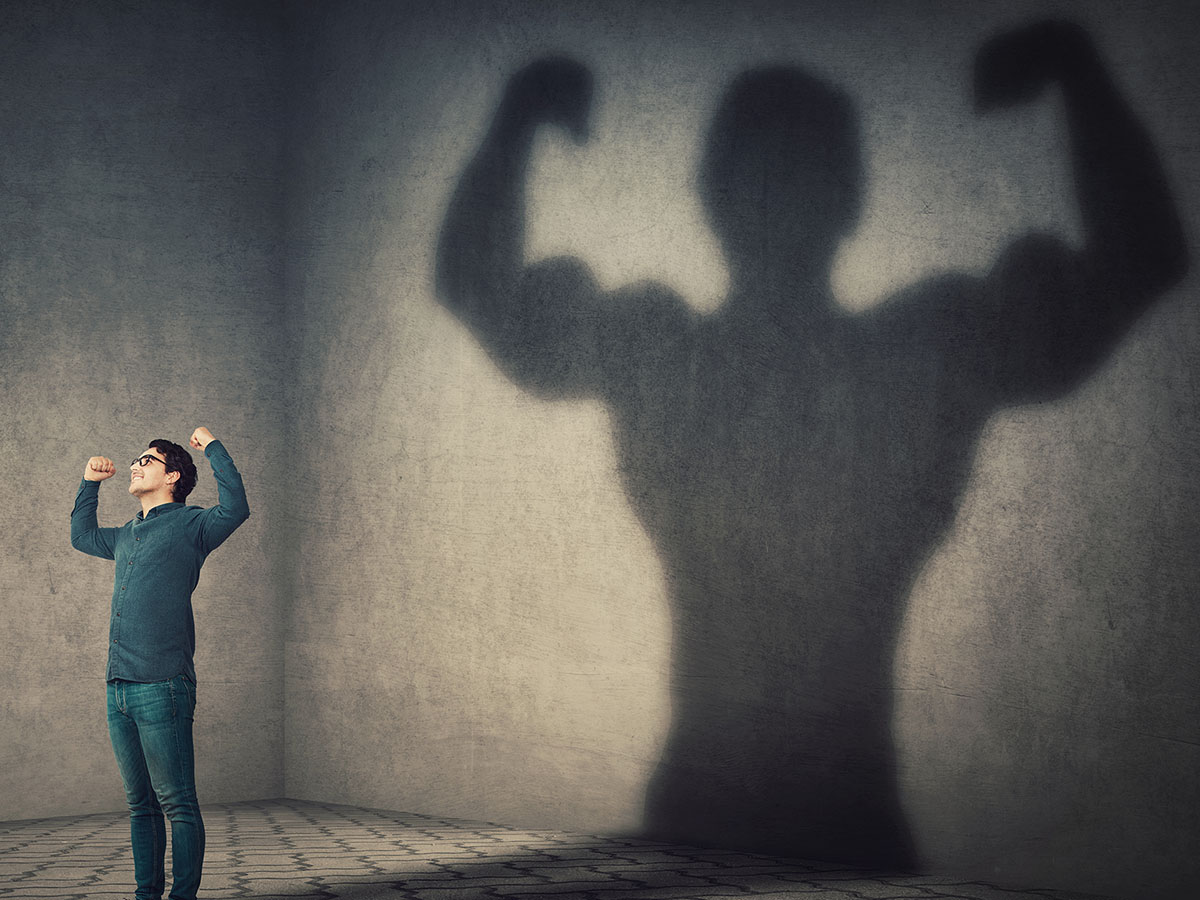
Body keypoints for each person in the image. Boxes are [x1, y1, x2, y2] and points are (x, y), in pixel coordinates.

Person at [436, 20, 1186, 866]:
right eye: (775, 174)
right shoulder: (913, 358)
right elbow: (1138, 262)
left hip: (725, 814)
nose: (780, 199)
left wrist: (518, 119)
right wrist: (1076, 72)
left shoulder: (679, 355)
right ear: (852, 195)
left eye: (791, 173)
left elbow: (479, 287)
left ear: (711, 193)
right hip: (834, 821)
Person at [70, 426, 250, 900]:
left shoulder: (194, 525)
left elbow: (236, 507)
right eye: (136, 458)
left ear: (172, 476)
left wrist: (212, 446)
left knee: (178, 803)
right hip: (118, 686)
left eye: (146, 460)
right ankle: (145, 895)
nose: (135, 464)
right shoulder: (126, 534)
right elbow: (81, 535)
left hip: (163, 684)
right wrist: (89, 482)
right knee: (140, 806)